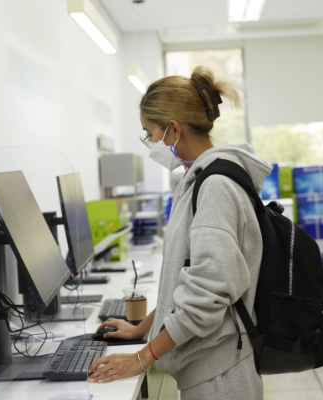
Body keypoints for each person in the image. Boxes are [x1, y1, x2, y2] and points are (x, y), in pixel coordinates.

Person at [87, 66, 272, 400]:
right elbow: (187, 279)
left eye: (150, 133)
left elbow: (207, 295)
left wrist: (143, 358)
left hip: (220, 376)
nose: (151, 143)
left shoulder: (215, 188)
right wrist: (145, 328)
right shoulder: (199, 180)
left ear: (173, 130)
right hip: (211, 369)